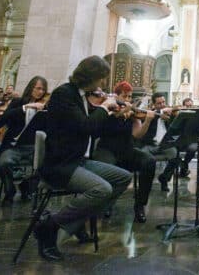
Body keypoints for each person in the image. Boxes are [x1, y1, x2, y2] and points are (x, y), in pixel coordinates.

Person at [34, 56, 132, 262]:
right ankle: (50, 226)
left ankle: (76, 223)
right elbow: (85, 127)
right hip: (60, 164)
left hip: (77, 160)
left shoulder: (81, 95)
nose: (103, 85)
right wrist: (104, 108)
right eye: (102, 79)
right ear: (91, 76)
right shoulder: (64, 94)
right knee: (101, 189)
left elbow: (93, 130)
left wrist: (111, 115)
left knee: (123, 177)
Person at [94, 81, 154, 223]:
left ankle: (140, 205)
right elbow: (101, 129)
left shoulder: (132, 114)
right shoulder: (108, 108)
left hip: (126, 150)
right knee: (110, 167)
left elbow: (137, 135)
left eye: (130, 97)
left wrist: (147, 121)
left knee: (149, 161)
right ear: (117, 96)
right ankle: (108, 203)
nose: (128, 100)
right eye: (125, 96)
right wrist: (119, 113)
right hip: (106, 149)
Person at [0, 76, 49, 203]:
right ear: (31, 88)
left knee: (48, 164)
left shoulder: (45, 107)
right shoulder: (18, 102)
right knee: (2, 164)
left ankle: (27, 187)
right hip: (14, 146)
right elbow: (3, 119)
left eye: (43, 90)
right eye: (38, 88)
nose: (41, 92)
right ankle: (10, 191)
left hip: (34, 147)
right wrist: (25, 108)